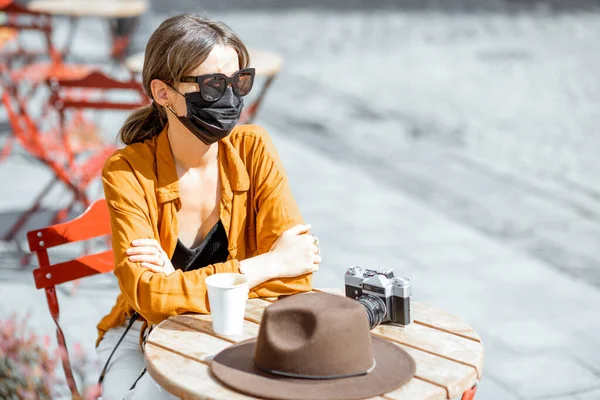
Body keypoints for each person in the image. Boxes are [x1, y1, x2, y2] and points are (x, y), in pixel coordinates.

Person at [95, 13, 321, 400]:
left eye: (239, 82)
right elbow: (149, 301)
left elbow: (296, 279)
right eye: (214, 85)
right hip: (141, 339)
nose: (231, 98)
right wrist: (267, 265)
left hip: (236, 336)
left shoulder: (253, 150)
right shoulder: (128, 171)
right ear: (163, 92)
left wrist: (175, 285)